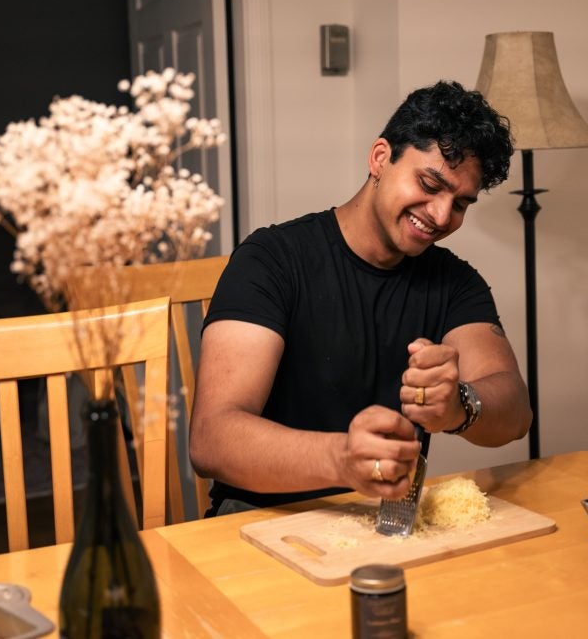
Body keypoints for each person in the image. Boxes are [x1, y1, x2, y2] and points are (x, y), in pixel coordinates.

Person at [189, 80, 531, 516]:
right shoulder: (272, 259)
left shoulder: (454, 281)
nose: (442, 216)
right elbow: (211, 440)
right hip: (256, 519)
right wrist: (342, 460)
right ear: (380, 158)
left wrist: (458, 405)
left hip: (386, 523)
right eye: (429, 184)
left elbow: (516, 411)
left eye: (461, 204)